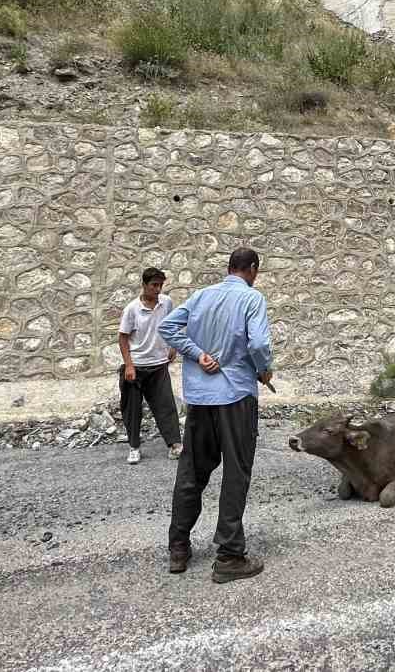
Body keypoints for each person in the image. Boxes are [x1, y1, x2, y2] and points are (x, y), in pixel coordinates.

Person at [158, 247, 274, 584]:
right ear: (252, 269)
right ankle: (229, 555)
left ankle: (178, 547)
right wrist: (264, 370)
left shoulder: (201, 296)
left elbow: (168, 328)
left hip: (200, 399)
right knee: (236, 472)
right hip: (235, 395)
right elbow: (258, 345)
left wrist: (196, 354)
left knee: (192, 471)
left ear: (228, 268)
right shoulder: (252, 299)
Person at [118, 267, 183, 465]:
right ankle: (134, 447)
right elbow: (122, 338)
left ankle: (174, 445)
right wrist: (129, 366)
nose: (157, 289)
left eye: (160, 285)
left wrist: (173, 345)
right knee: (132, 409)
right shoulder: (132, 309)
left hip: (158, 365)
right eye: (154, 285)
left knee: (166, 406)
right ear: (144, 285)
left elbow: (173, 324)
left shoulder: (166, 303)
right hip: (137, 367)